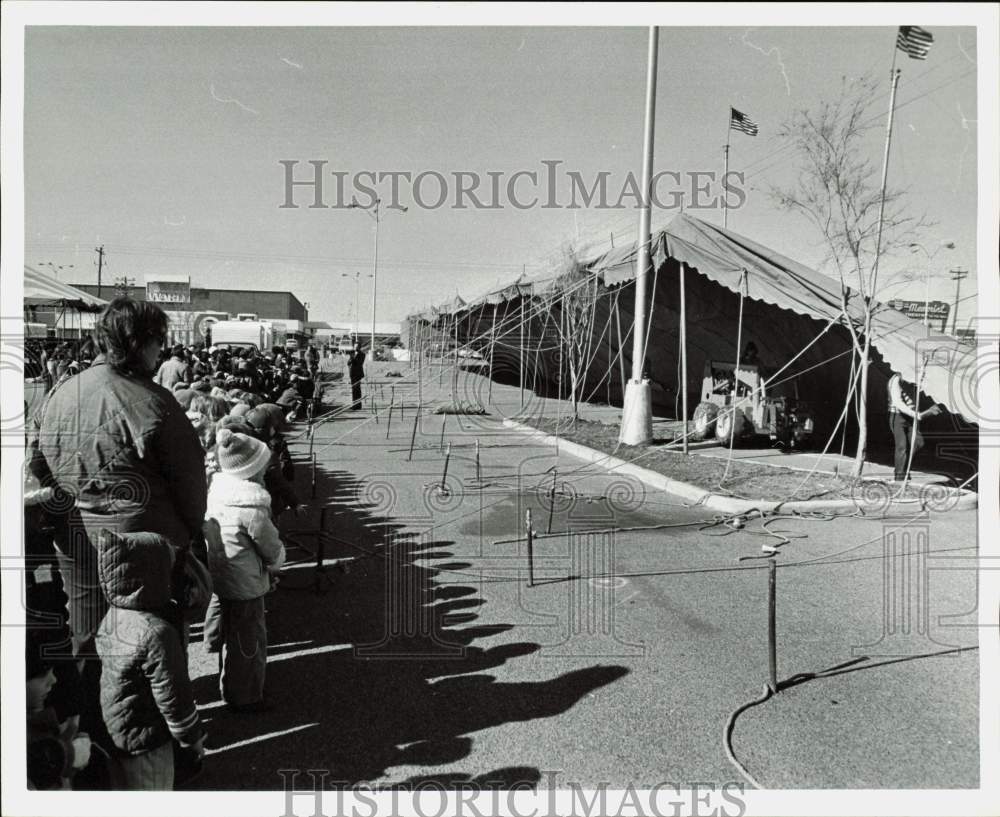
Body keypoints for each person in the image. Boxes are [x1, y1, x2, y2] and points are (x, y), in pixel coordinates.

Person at [34, 298, 207, 742]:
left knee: (89, 637)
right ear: (141, 342)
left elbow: (40, 466)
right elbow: (191, 487)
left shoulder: (62, 391)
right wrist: (185, 540)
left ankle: (92, 733)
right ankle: (149, 742)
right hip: (141, 545)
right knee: (151, 643)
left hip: (75, 537)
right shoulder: (154, 402)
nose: (160, 352)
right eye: (157, 343)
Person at [95, 531, 206, 789]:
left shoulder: (114, 615)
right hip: (148, 737)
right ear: (153, 575)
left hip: (119, 729)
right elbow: (173, 695)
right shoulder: (157, 632)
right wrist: (192, 738)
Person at [203, 429, 285, 712]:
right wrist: (276, 564)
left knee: (228, 633)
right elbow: (271, 548)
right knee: (248, 640)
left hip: (220, 574)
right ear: (252, 470)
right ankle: (245, 696)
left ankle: (225, 679)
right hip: (245, 581)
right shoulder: (252, 507)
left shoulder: (217, 494)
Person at [888, 371, 941, 483]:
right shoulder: (896, 380)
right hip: (897, 416)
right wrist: (917, 415)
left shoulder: (912, 377)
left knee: (918, 442)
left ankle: (902, 469)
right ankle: (899, 478)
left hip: (909, 417)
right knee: (902, 447)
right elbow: (898, 403)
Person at [347, 342, 366, 410]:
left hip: (358, 374)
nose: (356, 348)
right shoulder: (352, 353)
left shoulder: (362, 354)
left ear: (359, 347)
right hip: (352, 374)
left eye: (357, 346)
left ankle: (357, 405)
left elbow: (359, 363)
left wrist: (353, 358)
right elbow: (348, 363)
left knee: (357, 390)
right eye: (355, 346)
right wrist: (351, 358)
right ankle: (355, 404)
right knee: (354, 390)